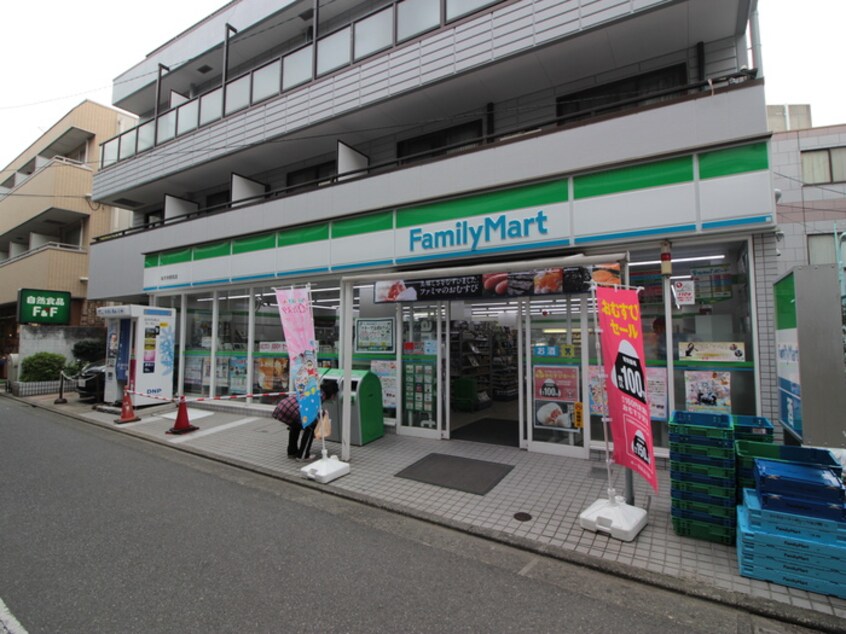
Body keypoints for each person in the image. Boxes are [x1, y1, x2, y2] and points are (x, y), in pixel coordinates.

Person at [273, 380, 339, 460]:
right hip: (292, 409)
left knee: (295, 426)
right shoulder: (321, 396)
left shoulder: (315, 389)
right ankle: (303, 455)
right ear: (332, 393)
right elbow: (312, 412)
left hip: (283, 405)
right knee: (310, 427)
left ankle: (292, 452)